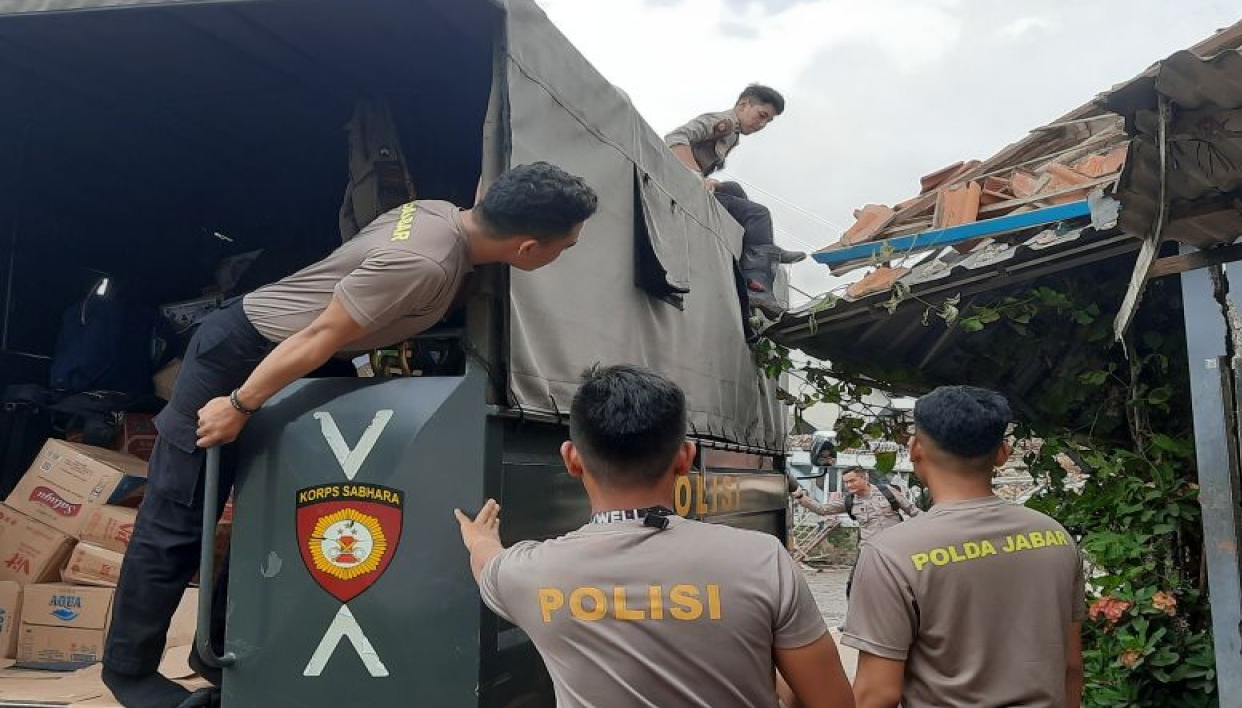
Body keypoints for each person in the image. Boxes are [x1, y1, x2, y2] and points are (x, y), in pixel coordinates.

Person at [102, 162, 599, 708]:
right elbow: (319, 333)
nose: (562, 256)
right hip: (245, 354)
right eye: (565, 247)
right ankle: (131, 675)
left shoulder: (435, 214)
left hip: (305, 359)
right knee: (180, 514)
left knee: (276, 514)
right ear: (529, 250)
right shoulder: (425, 262)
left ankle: (221, 647)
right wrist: (240, 403)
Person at [455, 365, 852, 708]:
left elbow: (486, 559)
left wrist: (479, 536)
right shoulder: (762, 559)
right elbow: (831, 700)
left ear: (571, 459)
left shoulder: (528, 573)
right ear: (685, 458)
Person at [843, 386, 1085, 708]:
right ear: (1003, 453)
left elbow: (877, 694)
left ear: (915, 448)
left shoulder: (890, 553)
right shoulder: (1055, 537)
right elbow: (1071, 666)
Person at [664, 84, 805, 317]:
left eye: (768, 122)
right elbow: (676, 138)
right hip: (679, 188)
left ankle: (763, 247)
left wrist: (708, 180)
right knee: (758, 213)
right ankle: (757, 286)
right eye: (761, 116)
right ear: (743, 105)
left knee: (733, 189)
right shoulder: (724, 123)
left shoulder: (733, 135)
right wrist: (696, 176)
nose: (761, 125)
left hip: (693, 188)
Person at [792, 466, 919, 595]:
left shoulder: (887, 492)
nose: (848, 485)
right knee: (854, 587)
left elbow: (913, 511)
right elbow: (822, 509)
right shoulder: (849, 501)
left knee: (906, 584)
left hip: (895, 549)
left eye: (852, 481)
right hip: (869, 551)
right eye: (846, 482)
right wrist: (801, 496)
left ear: (865, 478)